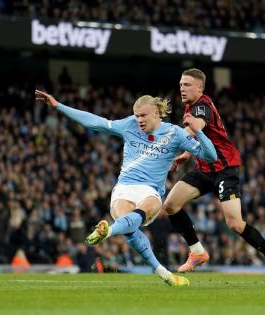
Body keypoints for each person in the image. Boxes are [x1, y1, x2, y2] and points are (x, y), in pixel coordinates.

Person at [35, 89, 218, 286]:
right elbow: (94, 122)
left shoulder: (176, 133)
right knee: (129, 226)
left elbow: (210, 157)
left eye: (143, 115)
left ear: (157, 113)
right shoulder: (129, 124)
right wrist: (59, 106)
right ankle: (164, 274)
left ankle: (108, 231)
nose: (138, 119)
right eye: (137, 115)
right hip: (125, 187)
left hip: (151, 190)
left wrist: (198, 131)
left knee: (143, 210)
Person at [163, 68, 265, 286]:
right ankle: (197, 252)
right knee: (171, 205)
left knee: (235, 224)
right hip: (204, 169)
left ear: (199, 87)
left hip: (225, 169)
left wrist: (172, 142)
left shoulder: (202, 106)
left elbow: (196, 128)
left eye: (187, 84)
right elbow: (200, 137)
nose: (182, 88)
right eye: (181, 84)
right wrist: (186, 154)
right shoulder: (190, 107)